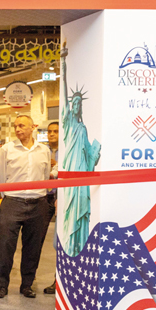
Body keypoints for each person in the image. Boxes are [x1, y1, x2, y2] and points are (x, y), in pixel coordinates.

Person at [0, 115, 52, 299]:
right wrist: (8, 196)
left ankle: (27, 285)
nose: (18, 129)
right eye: (16, 126)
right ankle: (1, 285)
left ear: (32, 127)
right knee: (5, 246)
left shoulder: (44, 150)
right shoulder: (7, 150)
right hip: (12, 202)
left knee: (33, 247)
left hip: (38, 204)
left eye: (22, 126)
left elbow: (45, 175)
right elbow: (1, 176)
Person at [60, 44, 101, 256]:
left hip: (82, 173)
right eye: (73, 102)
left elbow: (89, 155)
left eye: (78, 103)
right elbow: (64, 92)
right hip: (71, 172)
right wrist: (63, 66)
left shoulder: (83, 127)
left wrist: (95, 154)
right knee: (70, 210)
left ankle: (81, 246)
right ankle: (71, 246)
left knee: (82, 209)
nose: (75, 105)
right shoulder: (68, 125)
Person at [43, 121, 60, 295]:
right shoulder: (41, 151)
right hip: (43, 197)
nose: (52, 134)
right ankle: (28, 281)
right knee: (36, 239)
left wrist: (55, 167)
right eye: (50, 131)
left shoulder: (69, 152)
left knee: (59, 242)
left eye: (55, 131)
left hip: (60, 198)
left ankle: (59, 281)